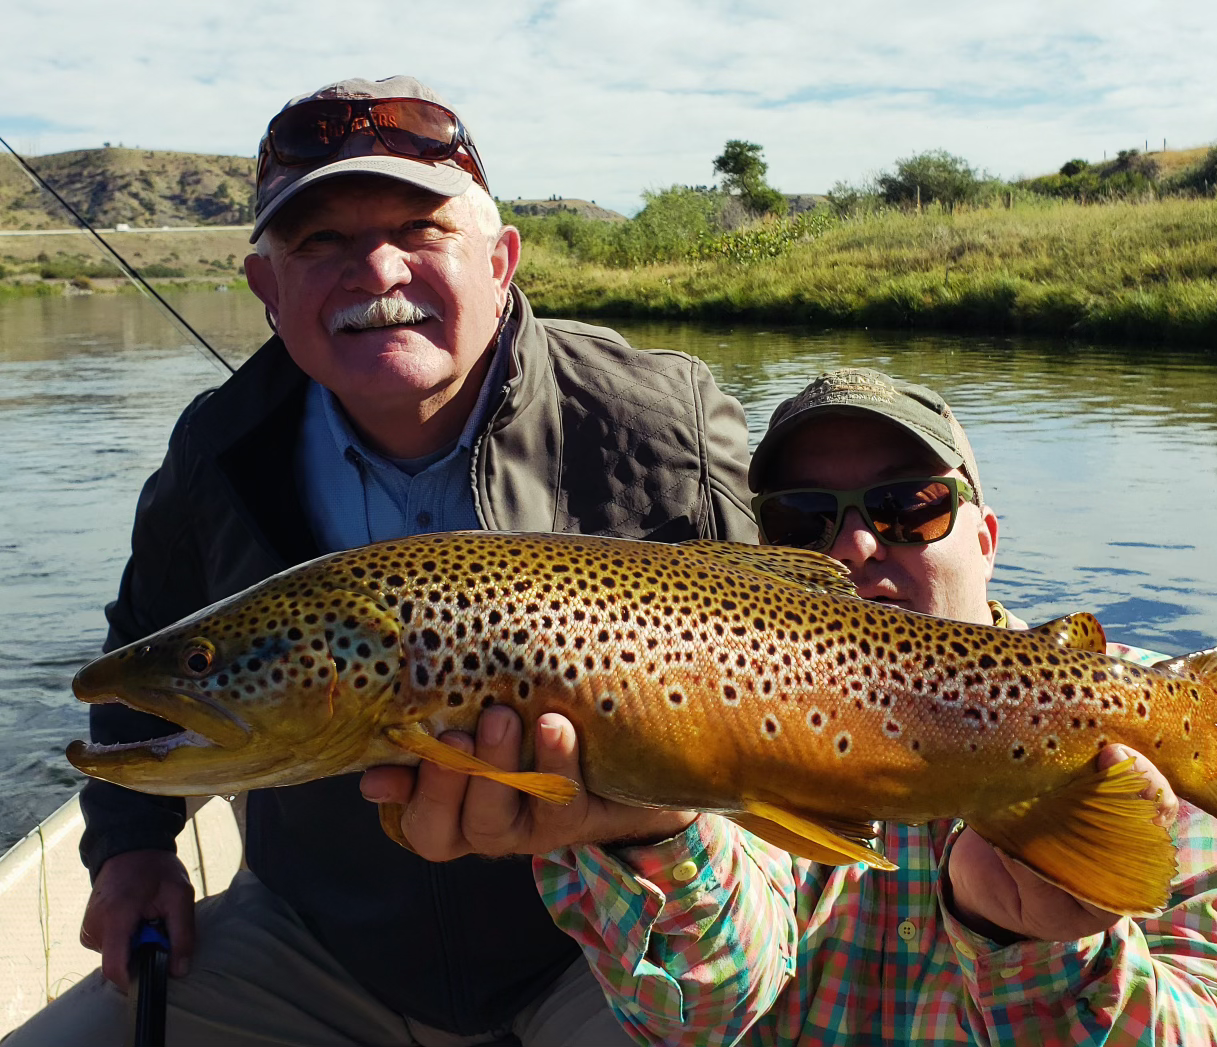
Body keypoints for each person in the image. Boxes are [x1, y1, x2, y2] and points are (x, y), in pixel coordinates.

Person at [10, 75, 753, 1046]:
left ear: (502, 262)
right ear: (266, 289)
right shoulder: (217, 451)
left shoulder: (662, 421)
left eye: (420, 228)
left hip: (599, 940)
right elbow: (141, 653)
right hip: (315, 942)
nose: (378, 269)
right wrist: (128, 848)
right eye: (321, 242)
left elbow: (780, 655)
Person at [524, 368, 1217, 1045]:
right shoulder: (705, 708)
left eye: (908, 506)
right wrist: (650, 817)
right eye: (802, 520)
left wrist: (1042, 953)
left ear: (984, 537)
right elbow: (703, 1013)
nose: (855, 545)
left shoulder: (1167, 723)